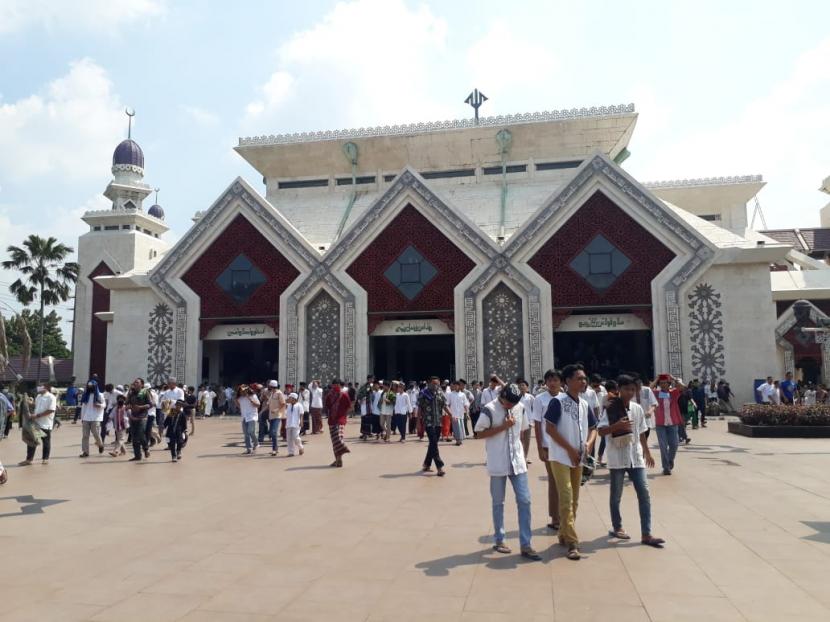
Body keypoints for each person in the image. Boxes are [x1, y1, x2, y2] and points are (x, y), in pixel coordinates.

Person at [474, 383, 541, 561]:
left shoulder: (520, 408)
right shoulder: (489, 409)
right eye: (508, 403)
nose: (510, 406)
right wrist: (503, 427)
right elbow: (478, 433)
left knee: (525, 500)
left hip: (517, 461)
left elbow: (524, 430)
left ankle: (526, 544)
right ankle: (499, 539)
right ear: (502, 396)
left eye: (513, 403)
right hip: (498, 461)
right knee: (498, 502)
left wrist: (524, 453)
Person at [598, 375, 665, 548]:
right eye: (626, 389)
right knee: (616, 494)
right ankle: (617, 526)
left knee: (644, 493)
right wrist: (617, 426)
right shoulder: (610, 408)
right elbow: (601, 431)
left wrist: (647, 452)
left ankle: (646, 533)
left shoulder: (637, 408)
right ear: (619, 389)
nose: (630, 392)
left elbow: (641, 431)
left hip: (636, 456)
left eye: (632, 389)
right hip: (617, 457)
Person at [544, 364, 595, 561]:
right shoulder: (557, 402)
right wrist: (569, 449)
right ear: (568, 381)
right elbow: (550, 428)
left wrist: (589, 444)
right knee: (565, 496)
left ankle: (564, 533)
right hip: (560, 456)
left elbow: (593, 427)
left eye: (584, 378)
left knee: (574, 499)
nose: (583, 381)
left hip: (579, 457)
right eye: (579, 378)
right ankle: (573, 542)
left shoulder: (584, 404)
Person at [531, 369, 562, 531]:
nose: (552, 383)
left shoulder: (566, 398)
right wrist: (539, 448)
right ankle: (556, 517)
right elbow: (537, 423)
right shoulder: (540, 399)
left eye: (556, 380)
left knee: (564, 482)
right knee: (554, 481)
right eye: (549, 380)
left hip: (564, 446)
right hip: (548, 446)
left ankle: (564, 515)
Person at [652, 374, 685, 475]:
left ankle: (670, 460)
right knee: (663, 446)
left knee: (674, 444)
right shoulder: (657, 394)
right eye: (661, 383)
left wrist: (674, 378)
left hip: (672, 423)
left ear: (668, 383)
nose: (662, 385)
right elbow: (648, 389)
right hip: (660, 424)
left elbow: (682, 387)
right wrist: (656, 379)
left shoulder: (673, 393)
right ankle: (666, 467)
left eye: (664, 383)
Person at [418, 376, 451, 476]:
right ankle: (439, 467)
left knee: (433, 444)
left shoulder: (440, 393)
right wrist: (418, 423)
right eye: (433, 383)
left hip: (438, 422)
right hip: (428, 422)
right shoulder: (424, 393)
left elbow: (444, 405)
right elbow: (420, 408)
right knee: (434, 443)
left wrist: (451, 415)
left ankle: (426, 464)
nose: (435, 385)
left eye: (437, 383)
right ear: (429, 383)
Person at [19, 383, 57, 466]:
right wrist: (30, 403)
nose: (39, 388)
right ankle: (29, 459)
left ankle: (45, 459)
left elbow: (51, 410)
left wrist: (37, 415)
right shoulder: (38, 397)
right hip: (36, 423)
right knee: (32, 440)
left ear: (46, 388)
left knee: (45, 441)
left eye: (41, 387)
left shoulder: (51, 397)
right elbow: (37, 406)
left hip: (46, 423)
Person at [325, 378, 351, 467]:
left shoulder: (344, 395)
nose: (335, 386)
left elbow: (348, 406)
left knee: (338, 438)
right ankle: (338, 460)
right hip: (332, 420)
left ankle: (342, 452)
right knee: (335, 441)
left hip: (340, 420)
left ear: (340, 385)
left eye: (337, 384)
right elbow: (327, 406)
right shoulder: (330, 395)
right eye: (334, 384)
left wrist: (343, 414)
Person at [79, 379, 106, 457]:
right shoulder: (85, 395)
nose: (90, 387)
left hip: (96, 417)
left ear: (95, 386)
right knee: (85, 436)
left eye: (91, 386)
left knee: (96, 434)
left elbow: (104, 405)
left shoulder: (100, 395)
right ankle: (85, 452)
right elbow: (83, 407)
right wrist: (82, 418)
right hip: (86, 418)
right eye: (89, 386)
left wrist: (99, 405)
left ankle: (100, 445)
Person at [237, 385, 261, 455]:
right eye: (241, 391)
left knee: (251, 431)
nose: (242, 392)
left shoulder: (253, 396)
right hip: (244, 417)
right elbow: (239, 405)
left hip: (252, 416)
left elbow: (258, 405)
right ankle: (248, 448)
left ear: (247, 390)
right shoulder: (240, 398)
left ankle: (256, 444)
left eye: (244, 391)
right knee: (246, 434)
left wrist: (250, 399)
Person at [517, 379, 534, 463]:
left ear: (527, 387)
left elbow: (534, 409)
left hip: (528, 421)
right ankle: (519, 457)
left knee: (527, 440)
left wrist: (532, 421)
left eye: (523, 385)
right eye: (520, 385)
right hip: (517, 421)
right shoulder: (515, 397)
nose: (521, 387)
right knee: (519, 440)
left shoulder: (530, 397)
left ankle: (525, 457)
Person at [446, 380, 468, 446]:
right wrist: (449, 413)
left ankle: (460, 439)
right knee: (456, 427)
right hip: (454, 414)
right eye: (454, 386)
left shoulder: (463, 394)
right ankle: (457, 440)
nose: (455, 387)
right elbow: (447, 404)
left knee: (461, 427)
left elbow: (465, 404)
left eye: (456, 385)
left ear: (459, 386)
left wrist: (467, 413)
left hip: (461, 413)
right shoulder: (450, 394)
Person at [285, 392, 305, 456]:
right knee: (289, 438)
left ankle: (300, 447)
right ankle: (291, 452)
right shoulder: (288, 405)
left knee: (295, 437)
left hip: (296, 423)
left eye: (290, 398)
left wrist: (301, 421)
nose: (289, 399)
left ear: (294, 398)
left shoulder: (299, 405)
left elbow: (301, 414)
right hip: (289, 423)